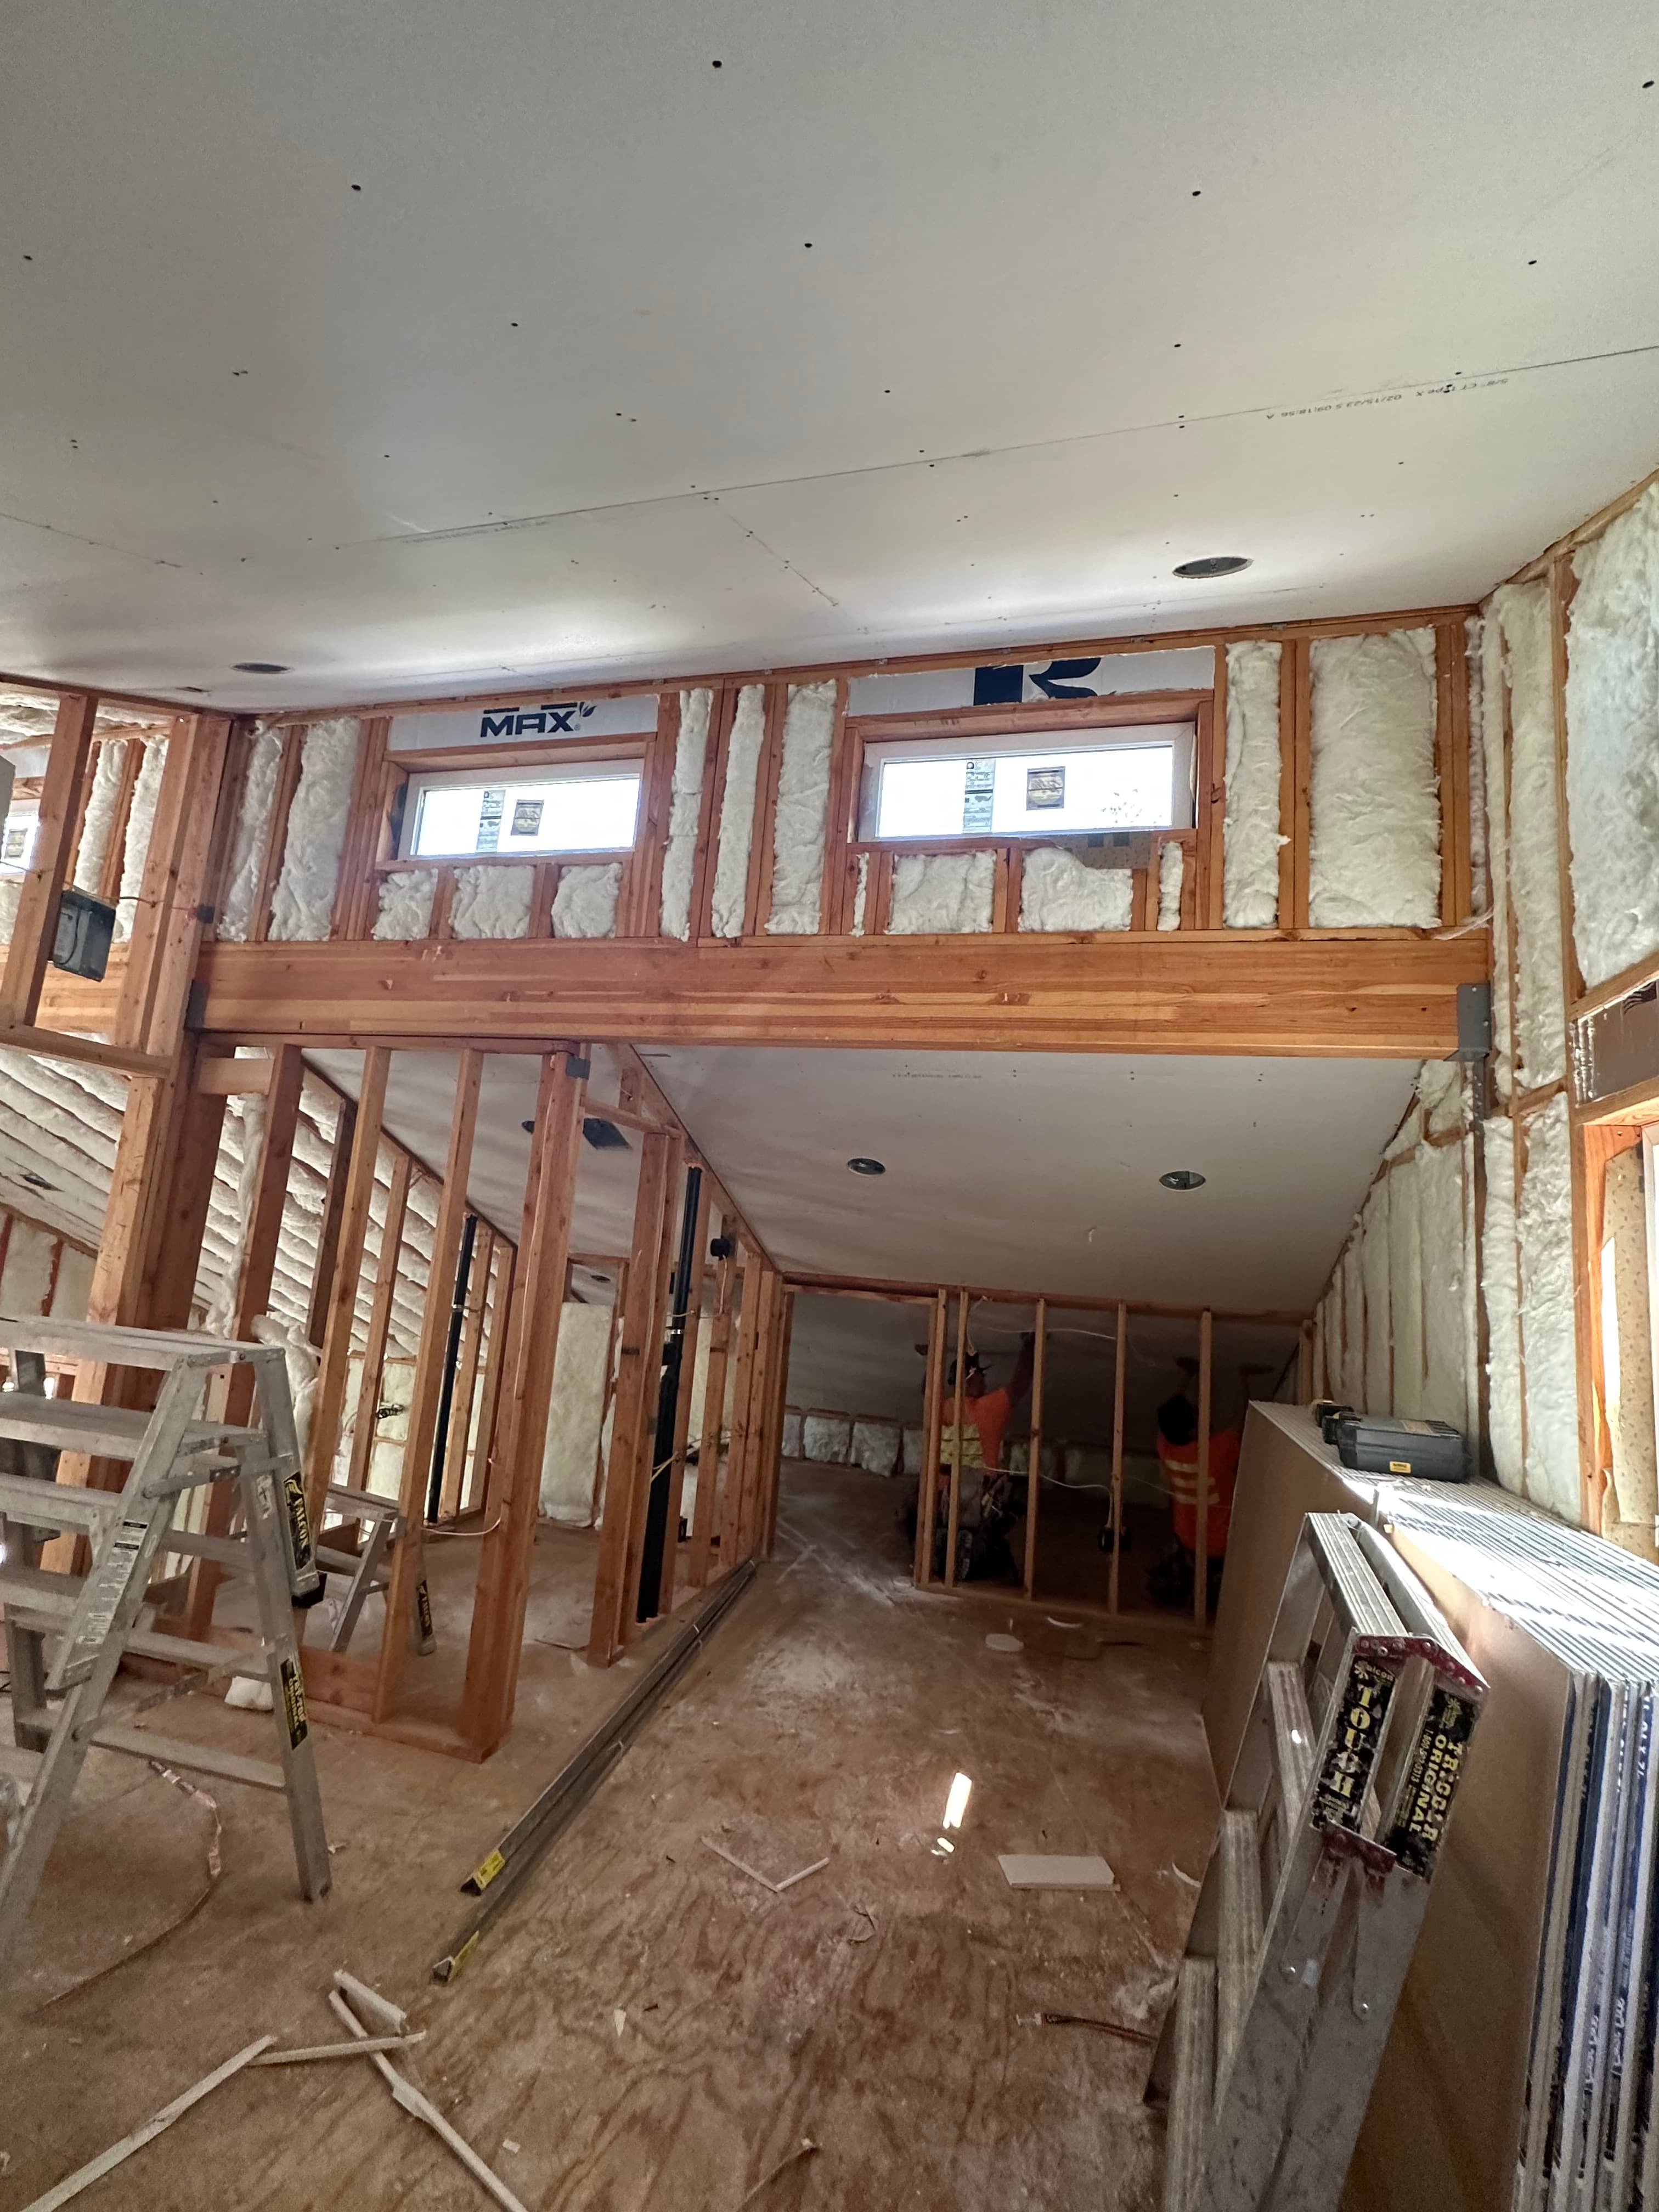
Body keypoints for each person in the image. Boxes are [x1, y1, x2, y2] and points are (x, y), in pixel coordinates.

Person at [929, 1333, 1036, 1581]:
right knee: (1016, 1497)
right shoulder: (988, 1409)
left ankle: (946, 1550)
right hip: (979, 1507)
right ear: (969, 1379)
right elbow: (1019, 1384)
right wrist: (1030, 1345)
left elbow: (926, 1391)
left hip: (945, 1504)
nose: (985, 1379)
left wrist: (931, 1357)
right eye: (981, 1374)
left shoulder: (943, 1408)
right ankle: (981, 1558)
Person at [1149, 1379, 1239, 1612]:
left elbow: (1166, 1421)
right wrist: (1243, 1380)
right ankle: (1209, 1584)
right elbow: (1246, 1418)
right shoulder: (1217, 1451)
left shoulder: (1167, 1449)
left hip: (1189, 1540)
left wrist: (1186, 1378)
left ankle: (1194, 1577)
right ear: (1192, 1429)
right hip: (1221, 1546)